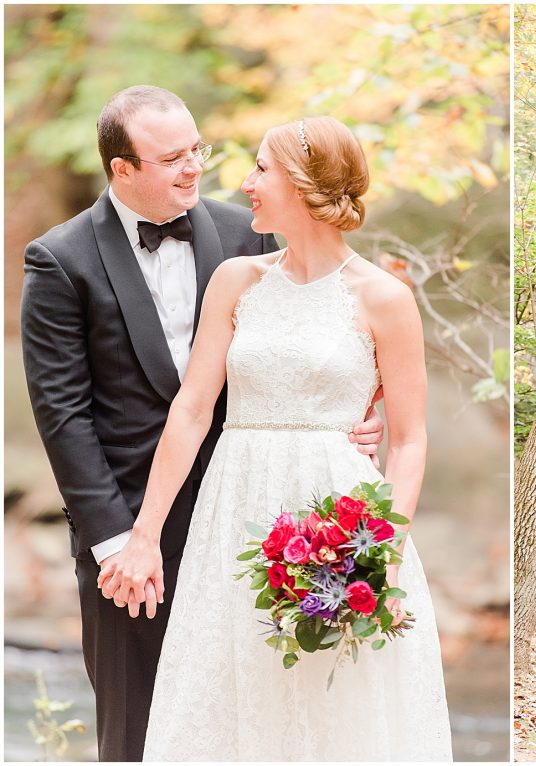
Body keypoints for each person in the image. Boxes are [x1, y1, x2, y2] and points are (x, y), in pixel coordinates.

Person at [20, 86, 384, 762]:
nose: (194, 168)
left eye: (198, 150)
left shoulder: (252, 233)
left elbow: (318, 347)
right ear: (121, 168)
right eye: (171, 159)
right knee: (135, 734)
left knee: (253, 726)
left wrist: (358, 421)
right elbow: (63, 415)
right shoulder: (59, 260)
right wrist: (118, 545)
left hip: (256, 527)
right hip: (132, 535)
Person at [97, 115, 452, 760]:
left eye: (261, 168)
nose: (244, 182)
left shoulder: (385, 298)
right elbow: (192, 410)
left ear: (303, 183)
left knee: (331, 697)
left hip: (340, 518)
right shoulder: (237, 280)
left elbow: (408, 440)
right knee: (230, 691)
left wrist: (383, 559)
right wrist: (144, 535)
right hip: (235, 509)